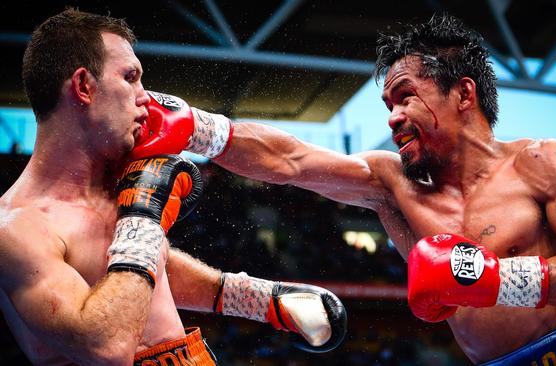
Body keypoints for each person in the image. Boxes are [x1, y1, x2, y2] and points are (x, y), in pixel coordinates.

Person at [133, 13, 556, 365]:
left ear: (464, 93)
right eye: (386, 106)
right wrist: (197, 126)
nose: (393, 118)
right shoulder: (393, 183)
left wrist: (494, 281)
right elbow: (291, 160)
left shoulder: (544, 161)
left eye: (405, 98)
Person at [0, 8, 346, 365]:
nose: (146, 98)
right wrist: (143, 218)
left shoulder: (112, 189)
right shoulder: (16, 228)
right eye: (130, 77)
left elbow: (134, 273)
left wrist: (257, 298)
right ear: (84, 86)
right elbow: (107, 346)